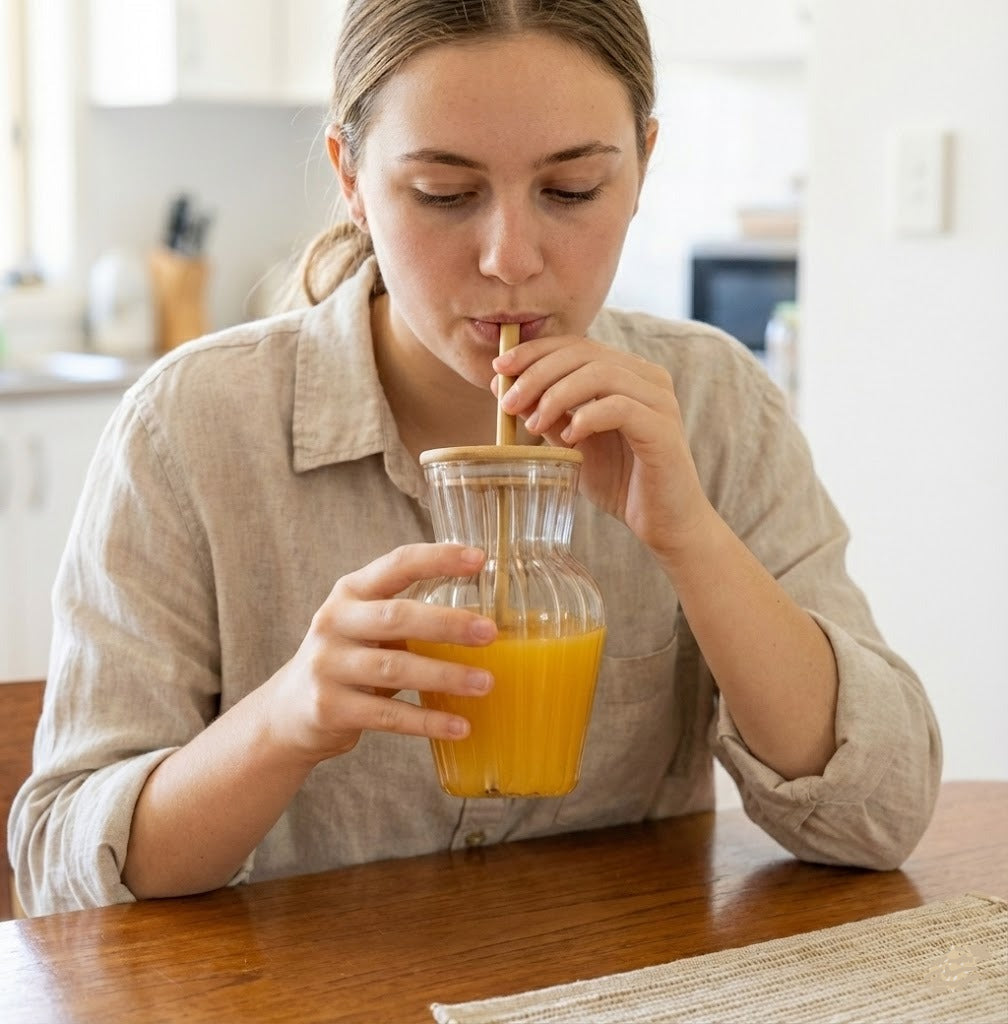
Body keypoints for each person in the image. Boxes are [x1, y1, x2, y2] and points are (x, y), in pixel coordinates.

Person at [10, 0, 941, 916]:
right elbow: (60, 867)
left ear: (644, 164)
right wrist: (284, 721)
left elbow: (878, 819)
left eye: (572, 191)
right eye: (445, 196)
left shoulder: (715, 404)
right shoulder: (190, 429)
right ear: (350, 176)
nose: (510, 257)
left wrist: (693, 539)